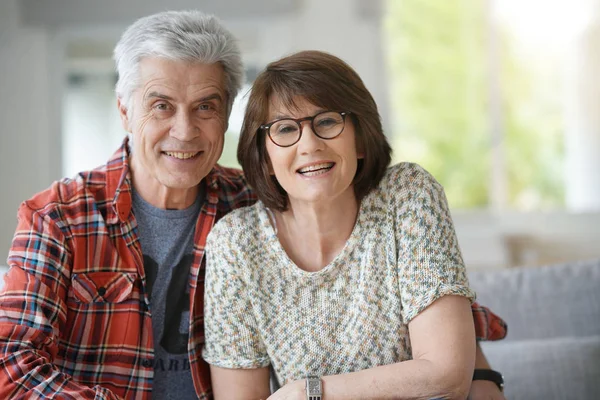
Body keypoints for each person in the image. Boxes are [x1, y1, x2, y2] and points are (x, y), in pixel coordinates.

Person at [0, 10, 505, 400]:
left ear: (228, 121)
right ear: (124, 109)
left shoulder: (258, 203)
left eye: (206, 107)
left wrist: (475, 373)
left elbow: (424, 304)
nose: (184, 130)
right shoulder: (59, 218)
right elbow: (13, 364)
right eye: (161, 106)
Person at [202, 50, 506, 400]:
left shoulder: (406, 195)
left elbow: (445, 376)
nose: (310, 145)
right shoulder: (236, 242)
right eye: (285, 129)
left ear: (360, 139)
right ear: (265, 157)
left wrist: (307, 393)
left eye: (328, 122)